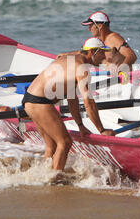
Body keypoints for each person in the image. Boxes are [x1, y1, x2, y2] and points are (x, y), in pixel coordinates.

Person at [22, 37, 116, 171]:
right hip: (40, 102)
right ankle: (54, 179)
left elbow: (72, 100)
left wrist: (80, 125)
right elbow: (88, 102)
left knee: (51, 145)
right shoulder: (82, 68)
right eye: (102, 53)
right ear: (93, 52)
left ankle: (43, 175)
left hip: (29, 100)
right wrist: (102, 130)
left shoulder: (70, 60)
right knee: (65, 142)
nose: (104, 57)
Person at [57, 11, 137, 73]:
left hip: (124, 80)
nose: (89, 29)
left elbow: (132, 56)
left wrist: (120, 69)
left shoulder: (113, 38)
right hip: (109, 77)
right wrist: (66, 55)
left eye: (90, 25)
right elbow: (84, 53)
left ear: (99, 26)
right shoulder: (98, 41)